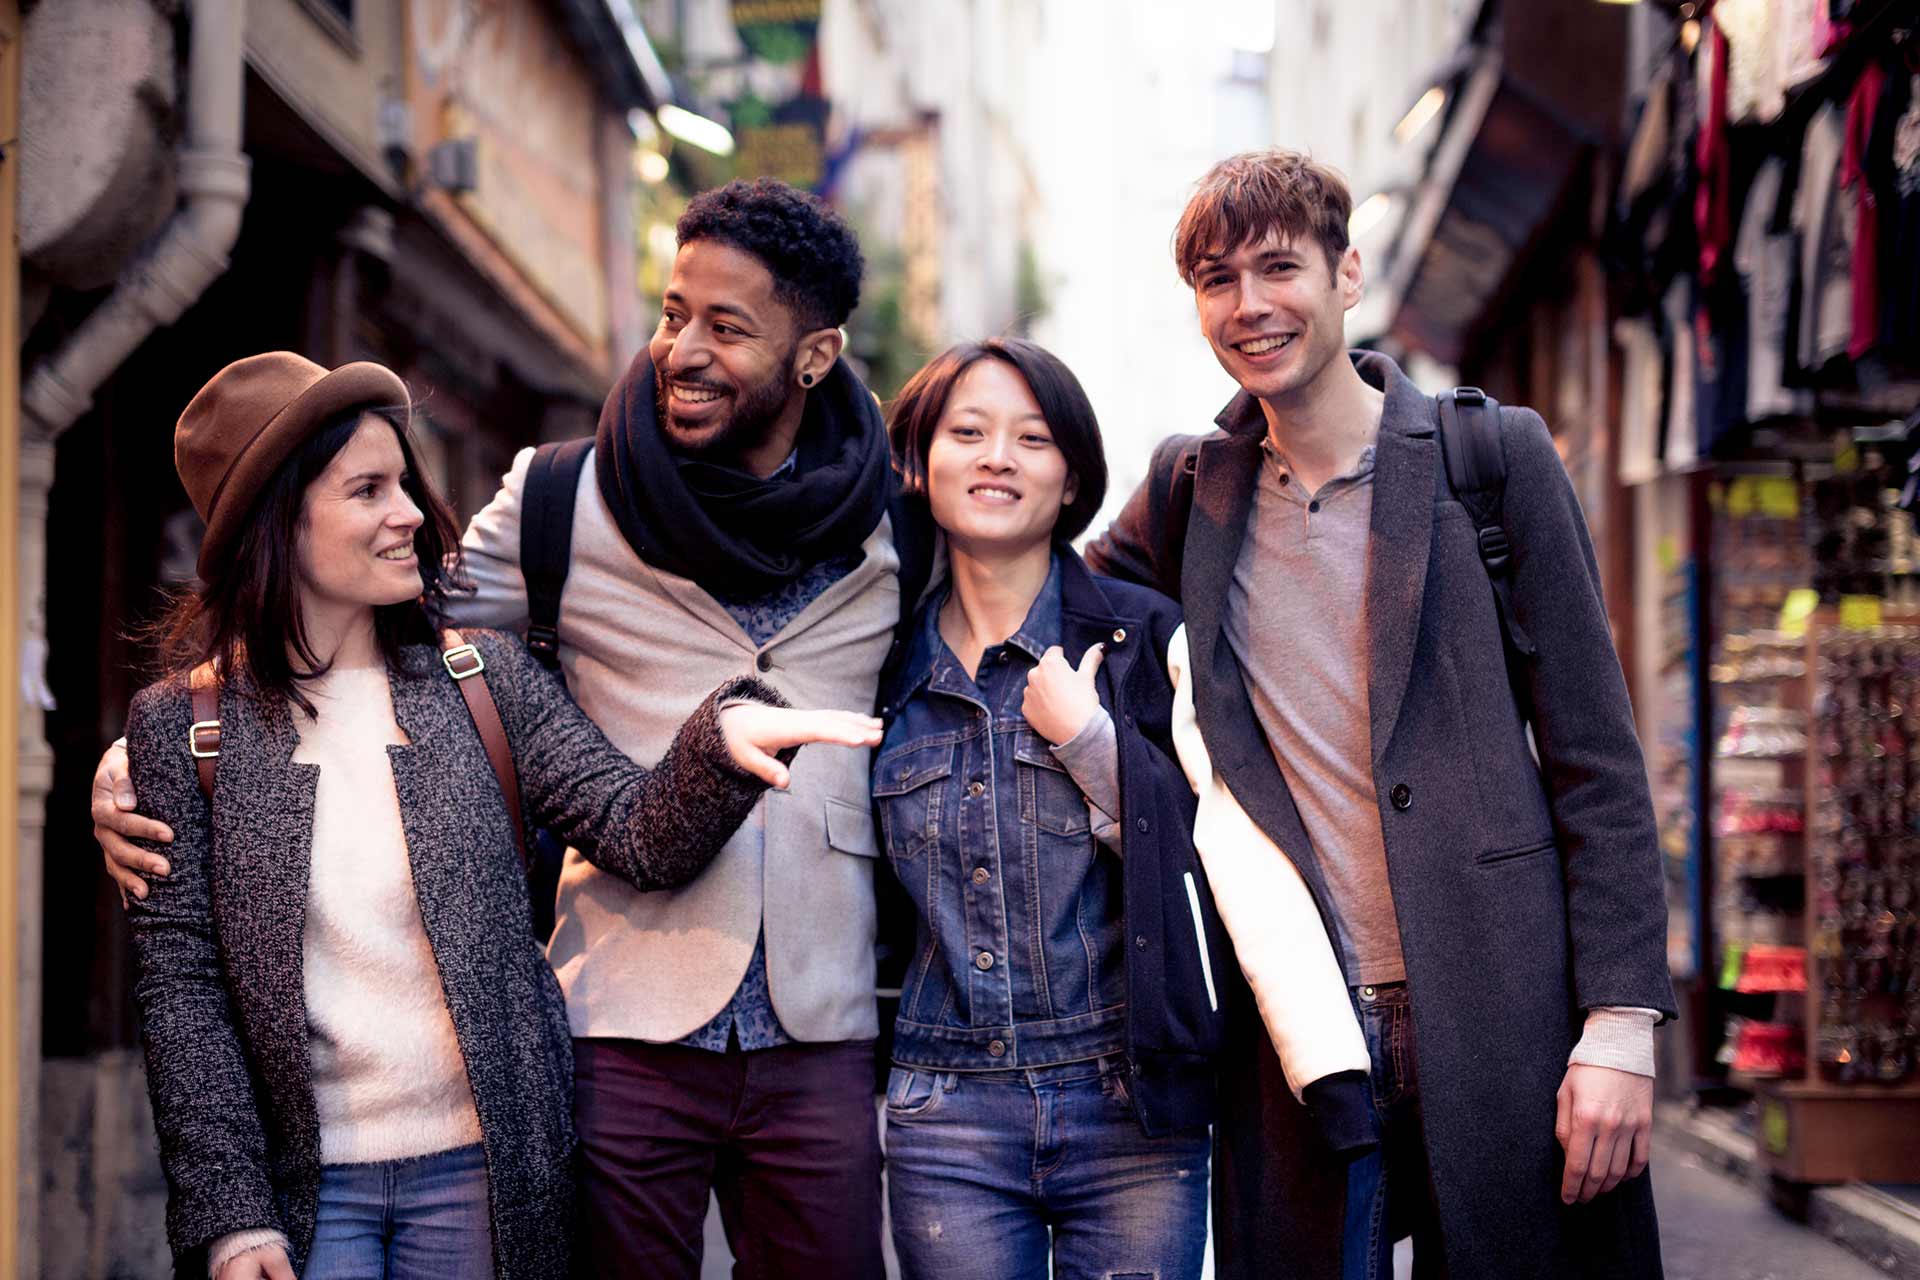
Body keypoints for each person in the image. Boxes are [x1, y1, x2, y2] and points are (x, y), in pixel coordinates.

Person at [96, 178, 911, 1278]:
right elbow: (381, 608)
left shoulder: (893, 522)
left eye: (729, 325)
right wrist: (165, 748)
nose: (685, 349)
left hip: (812, 1014)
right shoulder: (561, 499)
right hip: (619, 1010)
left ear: (814, 356)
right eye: (675, 313)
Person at [1084, 149, 1676, 1279]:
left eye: (1278, 267)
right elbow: (1049, 587)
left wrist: (1621, 1021)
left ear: (1347, 272)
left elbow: (1596, 759)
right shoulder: (1187, 492)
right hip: (1298, 1032)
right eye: (1217, 279)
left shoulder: (1488, 459)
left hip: (1507, 1006)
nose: (1250, 305)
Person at [875, 339, 1227, 1280]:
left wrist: (1089, 742)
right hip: (945, 1111)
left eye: (1032, 439)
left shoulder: (1143, 638)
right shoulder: (880, 667)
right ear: (921, 461)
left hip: (1132, 1100)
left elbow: (1217, 857)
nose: (998, 457)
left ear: (1072, 479)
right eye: (969, 432)